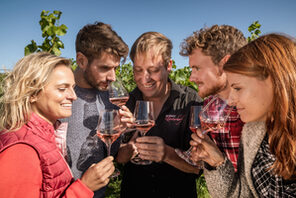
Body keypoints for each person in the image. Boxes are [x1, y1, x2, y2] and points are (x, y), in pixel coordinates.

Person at [190, 33, 296, 197]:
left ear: (274, 81)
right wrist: (217, 162)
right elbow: (244, 194)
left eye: (238, 88)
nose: (230, 101)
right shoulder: (252, 133)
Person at [0, 52, 115, 198]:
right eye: (62, 88)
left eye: (72, 87)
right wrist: (84, 187)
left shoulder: (43, 136)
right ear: (32, 93)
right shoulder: (21, 150)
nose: (73, 96)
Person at [117, 32, 203, 198]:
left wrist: (167, 154)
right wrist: (129, 148)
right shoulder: (127, 102)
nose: (144, 78)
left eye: (153, 70)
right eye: (138, 70)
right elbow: (120, 158)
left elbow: (198, 167)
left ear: (168, 65)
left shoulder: (190, 101)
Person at [64, 22, 131, 198]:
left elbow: (112, 153)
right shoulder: (59, 94)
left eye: (115, 68)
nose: (113, 77)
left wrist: (120, 131)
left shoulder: (110, 97)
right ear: (81, 60)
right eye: (105, 68)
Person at [179, 25, 247, 171]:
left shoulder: (258, 110)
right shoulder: (209, 105)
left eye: (197, 68)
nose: (191, 78)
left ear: (225, 64)